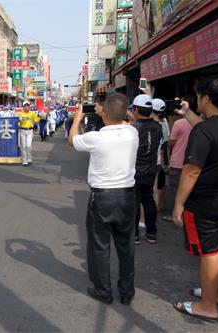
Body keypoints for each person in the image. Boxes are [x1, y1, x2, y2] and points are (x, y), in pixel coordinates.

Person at [69, 93, 139, 306]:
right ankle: (126, 292)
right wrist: (110, 111)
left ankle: (103, 290)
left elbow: (72, 140)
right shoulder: (132, 133)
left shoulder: (96, 137)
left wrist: (77, 119)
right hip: (127, 197)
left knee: (100, 246)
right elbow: (127, 120)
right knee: (126, 247)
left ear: (104, 113)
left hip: (102, 198)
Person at [171, 75, 218, 322]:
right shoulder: (209, 125)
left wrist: (179, 203)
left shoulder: (205, 130)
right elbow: (209, 128)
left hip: (207, 201)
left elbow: (191, 171)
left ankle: (207, 305)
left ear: (207, 98)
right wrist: (187, 113)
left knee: (210, 251)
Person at [132, 94, 163, 244]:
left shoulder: (134, 128)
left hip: (136, 171)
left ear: (136, 109)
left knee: (135, 202)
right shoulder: (158, 127)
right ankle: (152, 232)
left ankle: (135, 234)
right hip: (151, 169)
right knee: (149, 200)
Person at [162, 100, 193, 222]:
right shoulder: (201, 122)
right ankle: (187, 214)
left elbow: (171, 143)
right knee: (189, 189)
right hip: (191, 161)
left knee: (176, 190)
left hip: (178, 161)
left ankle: (176, 214)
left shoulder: (179, 123)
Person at [151, 99, 170, 211]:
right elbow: (166, 142)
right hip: (160, 158)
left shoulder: (153, 123)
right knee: (158, 185)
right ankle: (158, 206)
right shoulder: (165, 122)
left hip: (153, 159)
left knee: (153, 187)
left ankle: (153, 209)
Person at [18, 101, 40, 166]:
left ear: (29, 107)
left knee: (28, 146)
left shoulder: (32, 114)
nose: (26, 107)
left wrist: (39, 116)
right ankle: (24, 161)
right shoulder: (20, 114)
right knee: (23, 146)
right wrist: (19, 120)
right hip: (22, 130)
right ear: (23, 107)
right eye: (25, 105)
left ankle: (29, 159)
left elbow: (37, 120)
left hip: (30, 131)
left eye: (28, 106)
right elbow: (17, 122)